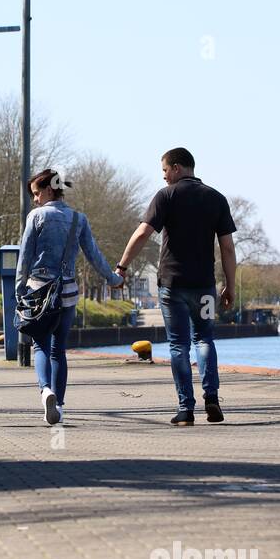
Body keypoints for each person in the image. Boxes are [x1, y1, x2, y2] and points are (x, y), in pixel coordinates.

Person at [115, 147, 237, 426]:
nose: (164, 177)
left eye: (165, 171)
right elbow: (227, 248)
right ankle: (212, 398)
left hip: (172, 287)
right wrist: (229, 287)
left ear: (178, 167)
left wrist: (121, 267)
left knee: (178, 346)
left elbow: (143, 232)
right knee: (204, 340)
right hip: (205, 287)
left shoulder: (166, 196)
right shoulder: (216, 198)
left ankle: (185, 410)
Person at [16, 168, 125, 426]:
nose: (34, 199)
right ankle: (60, 406)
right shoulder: (79, 219)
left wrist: (20, 288)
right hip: (67, 293)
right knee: (59, 350)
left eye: (35, 193)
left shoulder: (36, 217)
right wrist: (113, 279)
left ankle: (46, 392)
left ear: (48, 190)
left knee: (40, 345)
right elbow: (94, 254)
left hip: (39, 290)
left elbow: (25, 256)